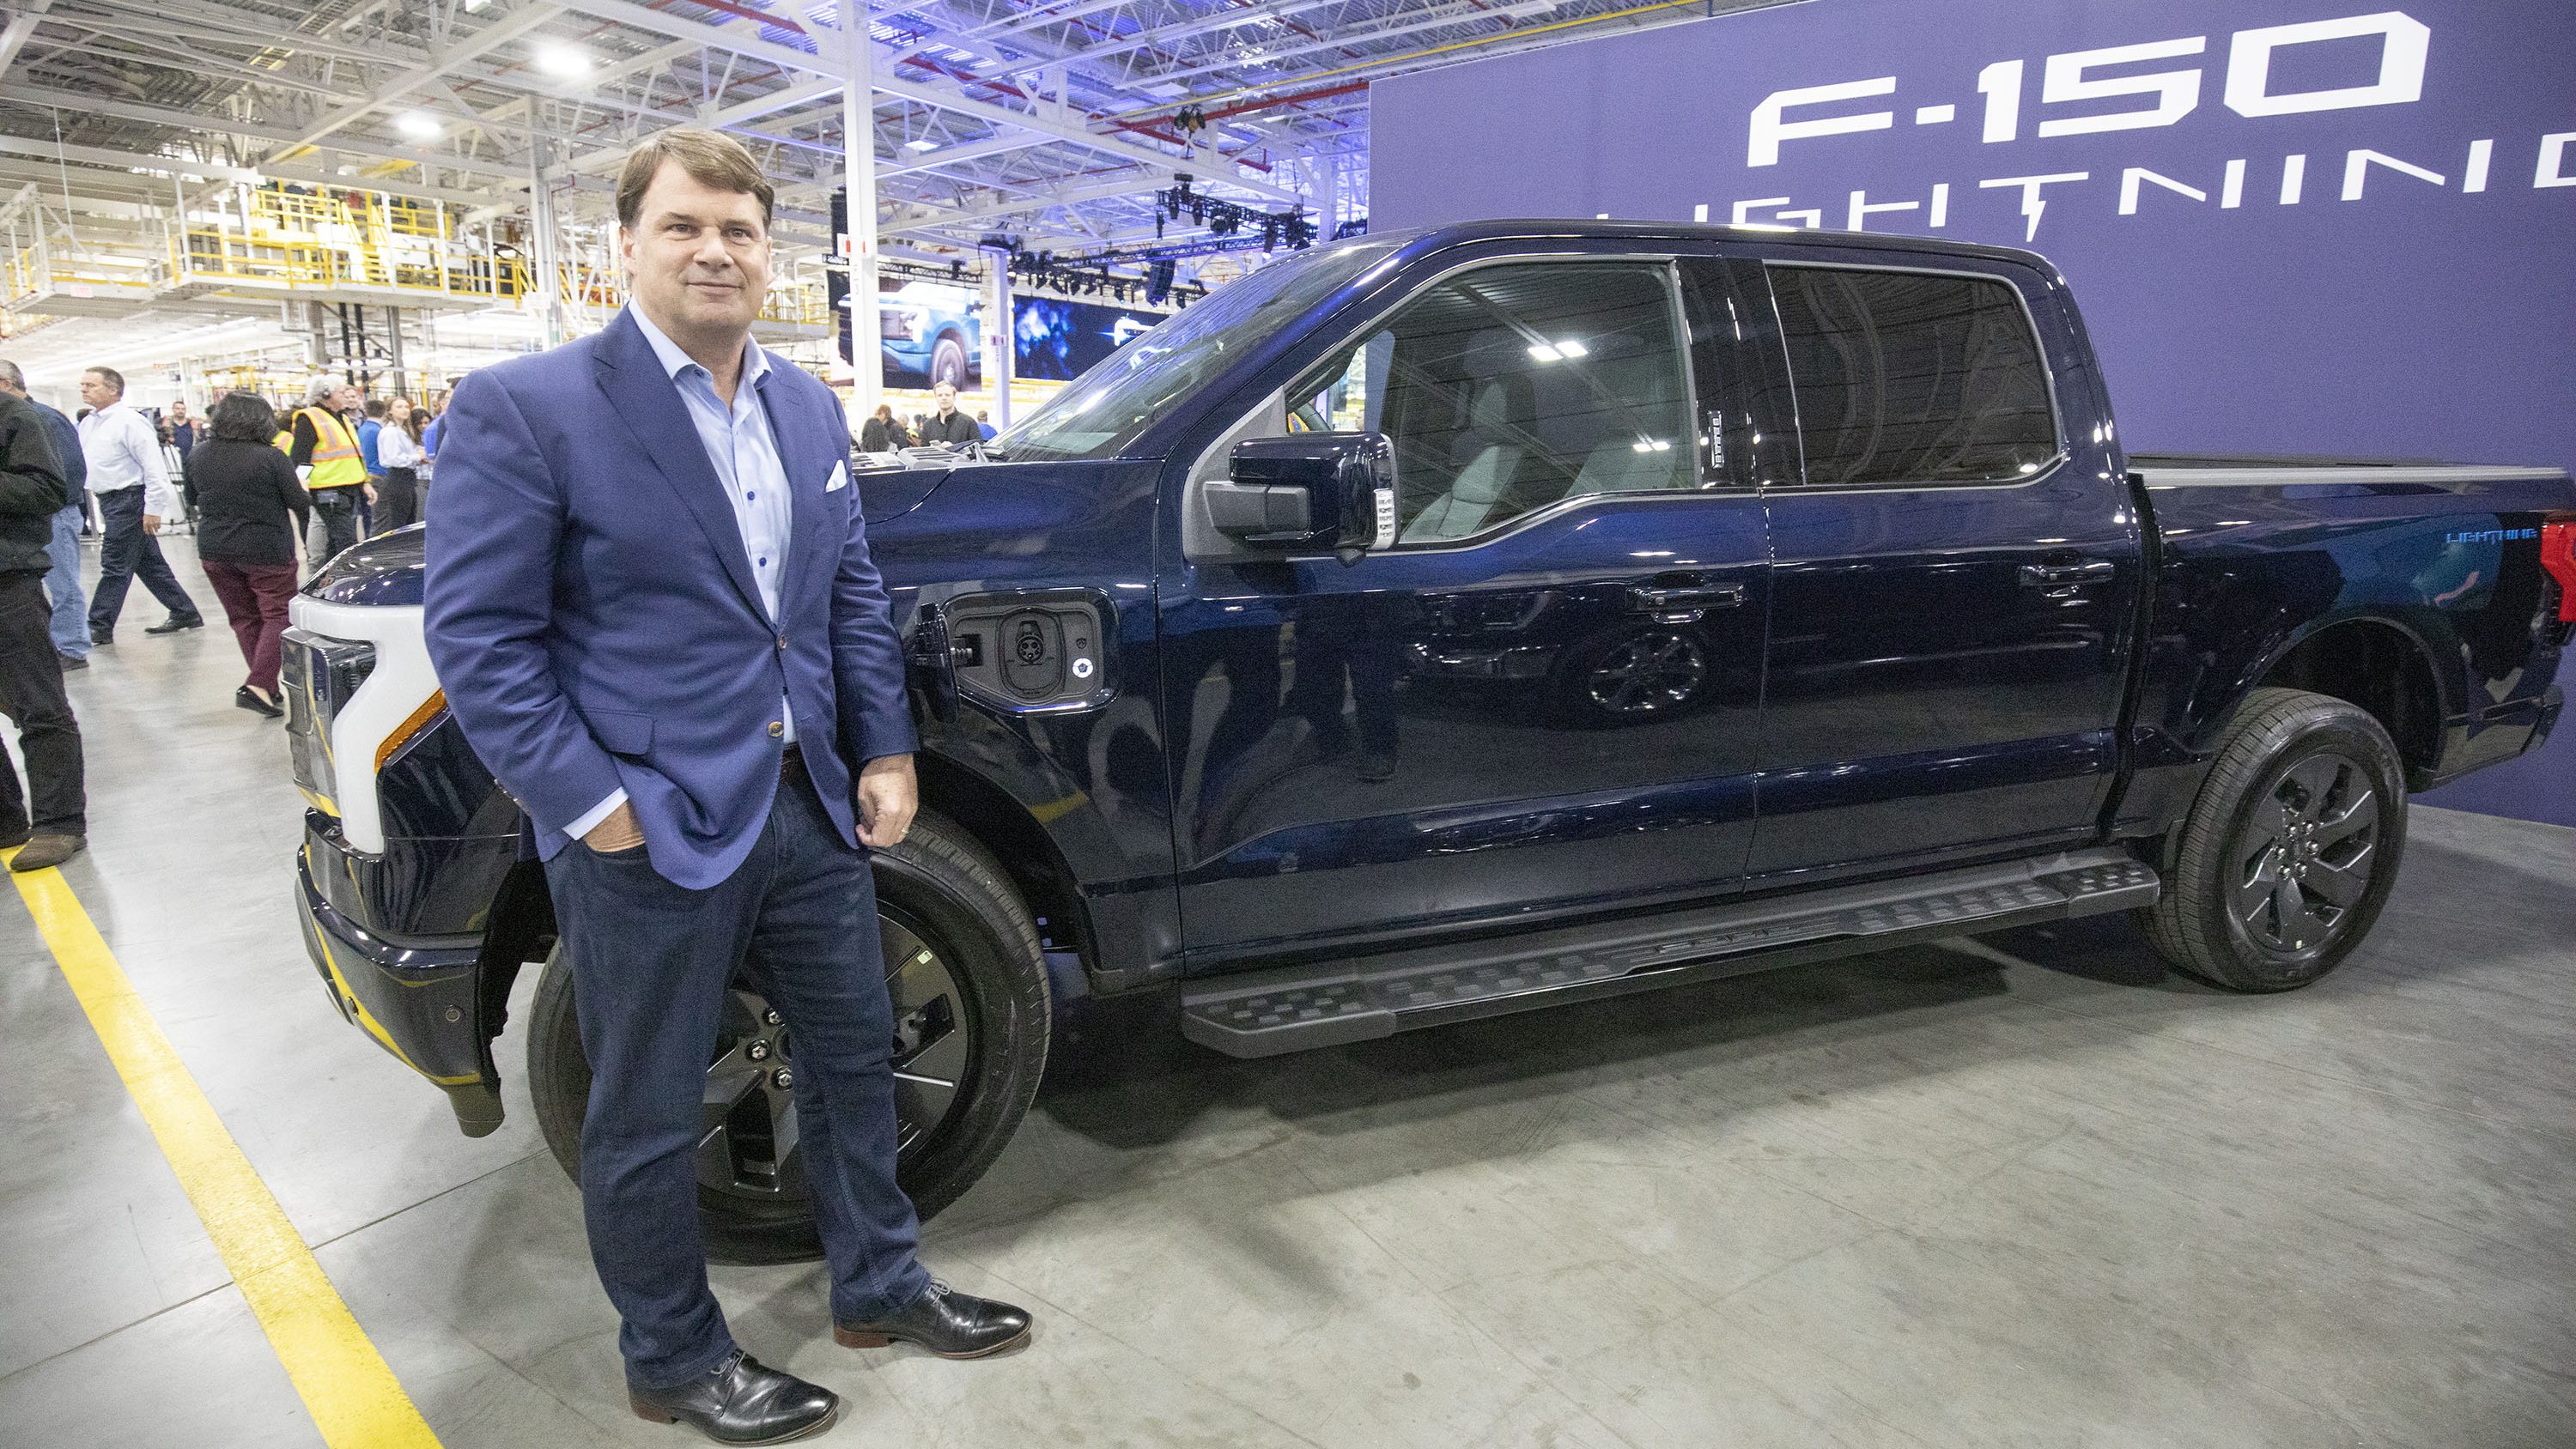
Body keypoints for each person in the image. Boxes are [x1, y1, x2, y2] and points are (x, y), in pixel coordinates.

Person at [423, 127, 1029, 1446]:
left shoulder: (805, 405)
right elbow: (479, 640)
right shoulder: (526, 408)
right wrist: (593, 803)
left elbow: (844, 592)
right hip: (643, 828)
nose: (715, 250)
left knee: (856, 1056)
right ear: (627, 246)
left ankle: (881, 1282)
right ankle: (674, 1357)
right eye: (685, 226)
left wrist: (883, 748)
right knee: (642, 1109)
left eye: (740, 231)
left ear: (771, 254)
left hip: (808, 803)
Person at [0, 379, 88, 872]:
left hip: (7, 581)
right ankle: (5, 821)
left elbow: (48, 489)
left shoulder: (14, 417)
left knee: (39, 706)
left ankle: (59, 824)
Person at [184, 392, 309, 718]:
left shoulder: (198, 454)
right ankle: (257, 685)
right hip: (265, 548)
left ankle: (266, 689)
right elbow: (297, 501)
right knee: (279, 615)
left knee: (243, 619)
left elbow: (191, 497)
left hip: (215, 549)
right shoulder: (271, 457)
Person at [77, 366, 202, 645]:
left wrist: (153, 507)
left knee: (115, 565)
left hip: (130, 500)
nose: (84, 389)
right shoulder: (89, 423)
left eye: (91, 385)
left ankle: (98, 625)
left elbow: (152, 465)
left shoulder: (129, 422)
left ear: (113, 390)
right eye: (82, 385)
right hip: (109, 501)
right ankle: (185, 612)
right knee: (149, 564)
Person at [0, 361, 92, 670]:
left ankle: (72, 647)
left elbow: (67, 472)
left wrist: (52, 508)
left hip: (55, 514)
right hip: (37, 514)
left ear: (6, 383)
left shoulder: (40, 418)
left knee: (62, 583)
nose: (84, 391)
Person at [289, 378, 374, 566]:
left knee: (336, 543)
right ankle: (347, 579)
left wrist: (365, 482)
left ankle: (326, 580)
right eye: (341, 392)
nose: (347, 396)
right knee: (346, 540)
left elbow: (355, 454)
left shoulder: (341, 418)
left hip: (349, 488)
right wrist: (301, 488)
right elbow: (300, 457)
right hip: (328, 490)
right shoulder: (310, 418)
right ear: (326, 395)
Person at [373, 406, 427, 532]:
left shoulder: (402, 431)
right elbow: (393, 458)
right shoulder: (390, 431)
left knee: (409, 520)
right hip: (398, 478)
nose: (405, 410)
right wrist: (417, 456)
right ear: (390, 410)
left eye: (406, 407)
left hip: (408, 478)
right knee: (396, 522)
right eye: (399, 406)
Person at [914, 380, 980, 446]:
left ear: (954, 397)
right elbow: (923, 452)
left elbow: (978, 450)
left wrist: (955, 449)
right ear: (936, 398)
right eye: (940, 395)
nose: (944, 398)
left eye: (947, 395)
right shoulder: (928, 425)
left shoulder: (968, 422)